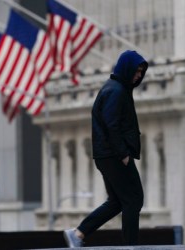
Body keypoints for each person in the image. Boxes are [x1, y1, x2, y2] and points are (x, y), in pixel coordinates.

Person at [63, 50, 148, 247]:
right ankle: (130, 245)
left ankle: (79, 234)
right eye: (136, 71)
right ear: (126, 69)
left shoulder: (117, 89)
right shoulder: (116, 91)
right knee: (134, 199)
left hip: (108, 155)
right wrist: (123, 153)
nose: (138, 76)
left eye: (141, 72)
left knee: (118, 201)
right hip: (113, 155)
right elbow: (111, 125)